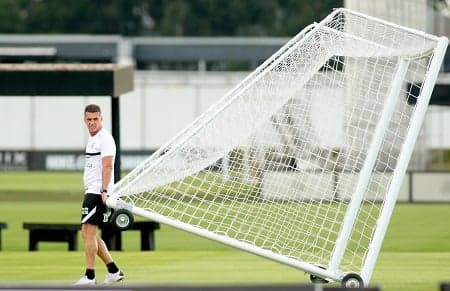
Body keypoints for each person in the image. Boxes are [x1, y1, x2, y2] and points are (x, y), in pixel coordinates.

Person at [75, 104, 124, 286]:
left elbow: (108, 166)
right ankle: (113, 270)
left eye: (96, 119)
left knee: (88, 233)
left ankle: (89, 276)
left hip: (97, 192)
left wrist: (104, 190)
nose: (92, 123)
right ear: (85, 120)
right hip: (92, 190)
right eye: (89, 119)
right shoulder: (93, 139)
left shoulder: (105, 139)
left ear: (101, 119)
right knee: (88, 233)